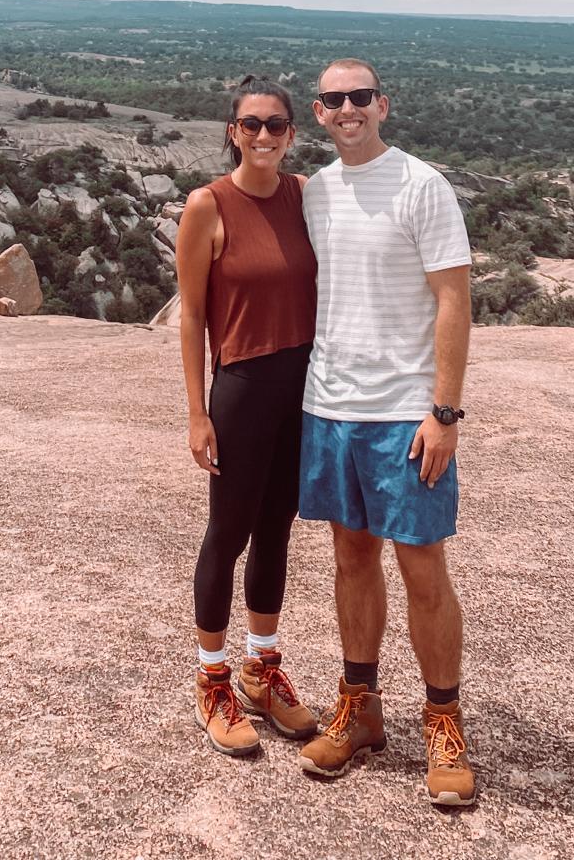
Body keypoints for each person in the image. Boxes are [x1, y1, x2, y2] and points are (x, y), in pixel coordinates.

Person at [295, 57, 477, 808]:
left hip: (405, 411)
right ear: (318, 111)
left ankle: (443, 721)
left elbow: (454, 298)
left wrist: (444, 412)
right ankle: (360, 708)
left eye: (360, 96)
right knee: (351, 558)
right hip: (331, 405)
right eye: (334, 99)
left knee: (422, 566)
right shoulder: (316, 191)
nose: (349, 109)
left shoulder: (421, 185)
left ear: (382, 104)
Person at [175, 76, 320, 757]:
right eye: (251, 124)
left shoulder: (304, 196)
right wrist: (196, 412)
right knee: (227, 534)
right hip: (241, 386)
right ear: (233, 131)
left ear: (292, 133)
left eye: (276, 125)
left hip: (301, 390)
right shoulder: (208, 205)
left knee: (276, 531)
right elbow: (192, 315)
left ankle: (262, 670)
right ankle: (212, 680)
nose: (264, 135)